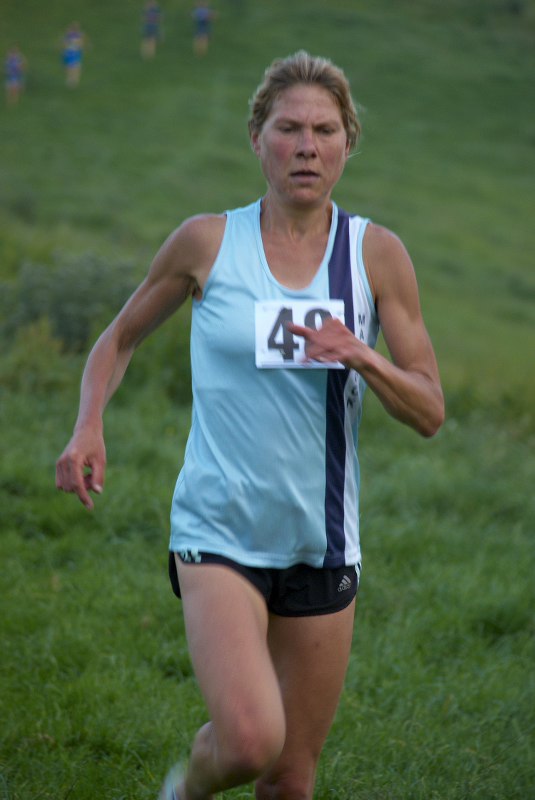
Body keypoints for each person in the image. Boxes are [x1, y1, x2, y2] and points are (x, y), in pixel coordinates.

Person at [56, 50, 444, 800]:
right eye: (288, 128)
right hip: (218, 529)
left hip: (321, 541)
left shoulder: (375, 256)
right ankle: (180, 792)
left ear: (348, 142)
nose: (306, 147)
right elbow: (120, 337)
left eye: (324, 131)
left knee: (290, 780)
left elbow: (428, 410)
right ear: (257, 138)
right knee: (248, 740)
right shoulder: (207, 243)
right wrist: (87, 425)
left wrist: (361, 354)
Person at [62, 22, 85, 87]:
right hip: (73, 53)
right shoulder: (77, 36)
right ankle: (73, 80)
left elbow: (65, 44)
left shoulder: (69, 35)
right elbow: (80, 45)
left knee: (72, 67)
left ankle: (72, 80)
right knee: (74, 67)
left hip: (71, 53)